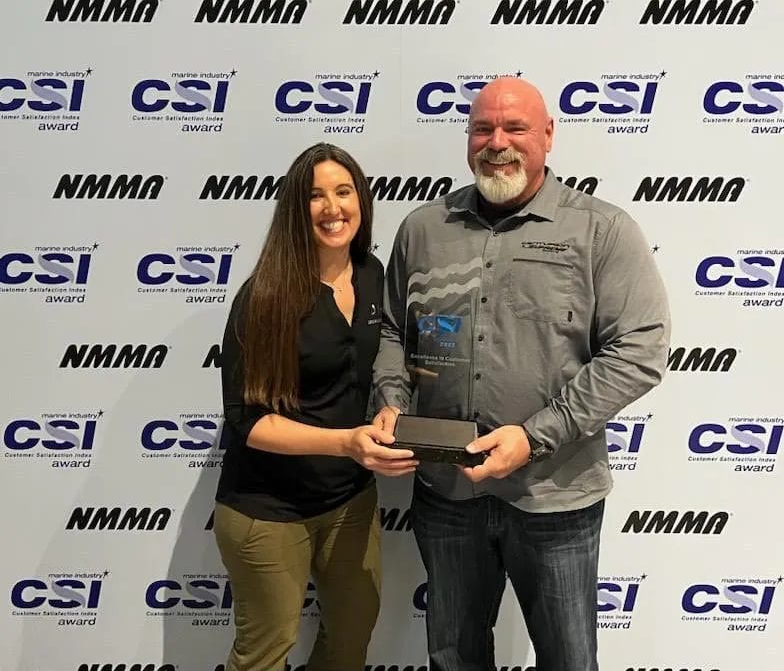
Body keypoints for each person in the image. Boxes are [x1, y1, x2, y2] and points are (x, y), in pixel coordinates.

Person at [373, 77, 671, 671]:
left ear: (549, 136)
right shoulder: (423, 229)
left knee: (567, 658)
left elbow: (641, 348)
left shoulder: (600, 230)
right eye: (482, 128)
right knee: (453, 656)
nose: (497, 143)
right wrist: (391, 403)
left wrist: (534, 437)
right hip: (447, 491)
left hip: (555, 497)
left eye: (515, 128)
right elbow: (390, 331)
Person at [214, 143, 417, 671]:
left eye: (344, 191)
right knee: (264, 653)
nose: (333, 208)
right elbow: (247, 419)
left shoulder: (375, 275)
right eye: (315, 196)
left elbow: (387, 364)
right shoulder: (265, 296)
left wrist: (389, 409)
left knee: (350, 640)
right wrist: (344, 442)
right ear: (294, 209)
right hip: (267, 509)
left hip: (349, 501)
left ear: (361, 200)